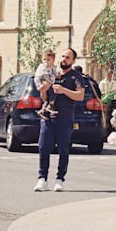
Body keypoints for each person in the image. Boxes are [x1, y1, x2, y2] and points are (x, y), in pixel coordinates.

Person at [33, 47, 85, 192]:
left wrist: (63, 91)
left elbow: (80, 96)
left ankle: (59, 179)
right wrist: (43, 89)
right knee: (43, 147)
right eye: (62, 56)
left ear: (73, 61)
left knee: (63, 149)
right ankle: (42, 179)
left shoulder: (75, 77)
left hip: (64, 118)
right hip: (48, 116)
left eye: (68, 57)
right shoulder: (52, 73)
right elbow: (44, 97)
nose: (64, 59)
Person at [34, 50, 58, 120]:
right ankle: (49, 107)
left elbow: (54, 74)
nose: (46, 61)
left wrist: (57, 75)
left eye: (48, 60)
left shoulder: (53, 67)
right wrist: (39, 86)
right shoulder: (42, 67)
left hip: (51, 83)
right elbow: (37, 77)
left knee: (51, 96)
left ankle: (43, 110)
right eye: (44, 59)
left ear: (53, 60)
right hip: (45, 83)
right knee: (53, 94)